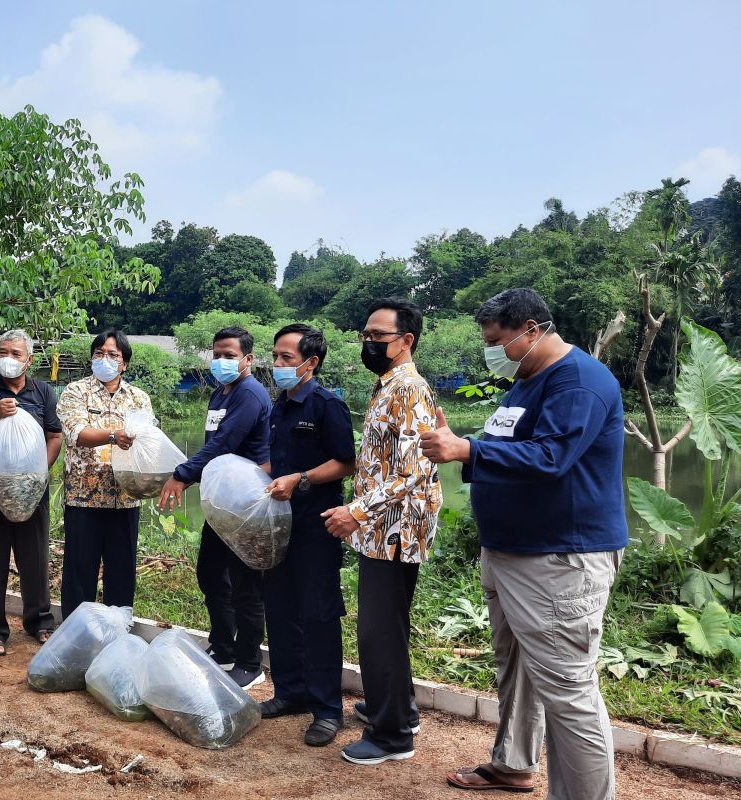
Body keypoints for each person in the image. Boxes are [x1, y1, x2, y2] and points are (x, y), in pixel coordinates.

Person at [420, 288, 627, 799]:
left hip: (557, 559)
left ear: (531, 330)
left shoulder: (577, 383)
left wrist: (465, 449)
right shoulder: (528, 381)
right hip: (514, 553)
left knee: (568, 688)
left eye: (498, 342)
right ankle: (513, 764)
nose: (495, 352)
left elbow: (551, 458)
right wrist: (468, 447)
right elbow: (511, 444)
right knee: (518, 668)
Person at [322, 298, 442, 766]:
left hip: (395, 527)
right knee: (385, 626)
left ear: (406, 340)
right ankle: (398, 709)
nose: (368, 343)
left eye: (379, 337)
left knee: (377, 631)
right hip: (384, 526)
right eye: (366, 335)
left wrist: (357, 510)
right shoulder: (388, 385)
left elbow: (415, 467)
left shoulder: (408, 388)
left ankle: (392, 736)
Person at [158, 326, 272, 689]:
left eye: (229, 355)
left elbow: (225, 443)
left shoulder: (250, 394)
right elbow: (216, 444)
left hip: (248, 503)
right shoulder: (222, 393)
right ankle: (223, 647)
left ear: (248, 359)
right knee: (210, 574)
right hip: (224, 501)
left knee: (245, 585)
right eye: (217, 354)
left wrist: (183, 474)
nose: (221, 361)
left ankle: (250, 662)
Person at [261, 324, 356, 747]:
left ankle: (327, 709)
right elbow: (274, 460)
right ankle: (290, 693)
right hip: (277, 526)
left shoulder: (326, 405)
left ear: (311, 363)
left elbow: (346, 463)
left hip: (316, 525)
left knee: (317, 615)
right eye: (275, 357)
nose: (277, 365)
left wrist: (299, 478)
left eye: (286, 358)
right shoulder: (278, 405)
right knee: (279, 607)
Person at [0, 330, 62, 657]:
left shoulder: (43, 392)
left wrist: (39, 473)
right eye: (3, 352)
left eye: (16, 353)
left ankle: (40, 622)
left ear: (29, 360)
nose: (8, 358)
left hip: (32, 489)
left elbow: (55, 435)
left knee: (35, 557)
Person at [55, 329, 153, 619]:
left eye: (113, 355)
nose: (105, 359)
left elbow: (147, 441)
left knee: (122, 572)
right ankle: (75, 637)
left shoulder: (139, 399)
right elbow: (76, 433)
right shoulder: (75, 391)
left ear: (124, 364)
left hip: (125, 498)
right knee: (79, 573)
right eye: (99, 353)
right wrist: (113, 435)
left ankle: (118, 637)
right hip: (84, 497)